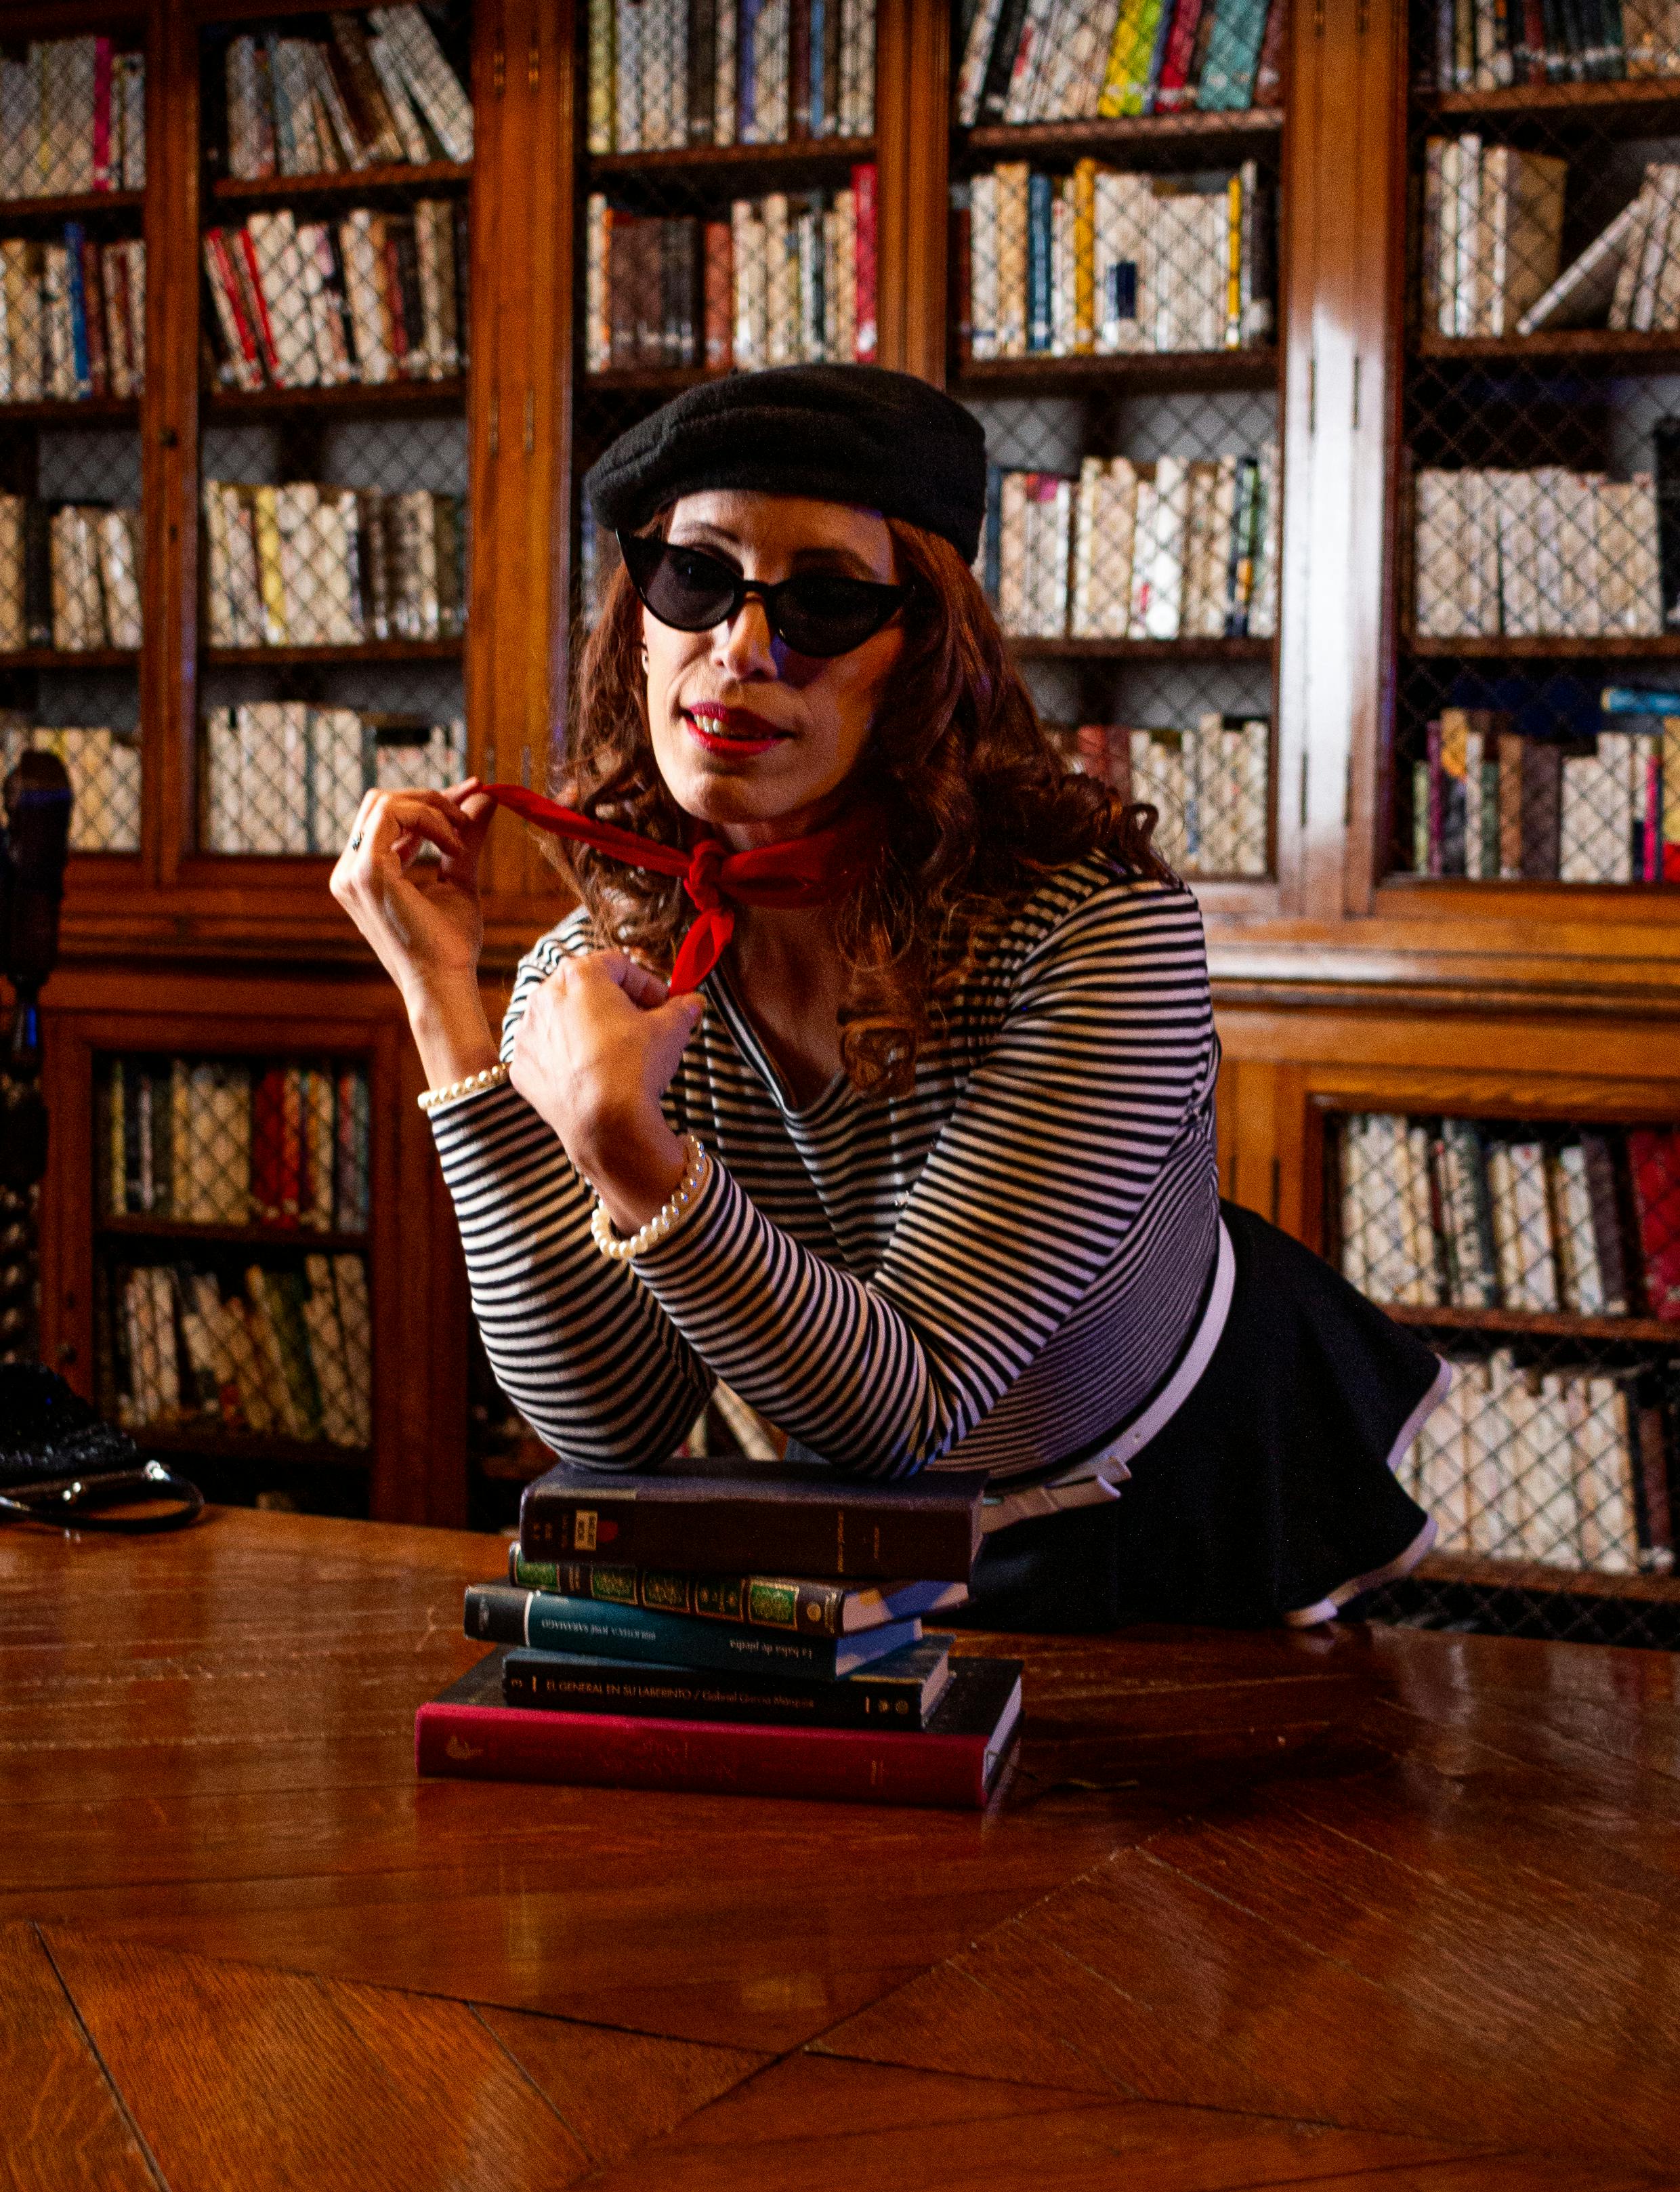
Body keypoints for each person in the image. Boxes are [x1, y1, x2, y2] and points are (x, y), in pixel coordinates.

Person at [332, 365, 1446, 1631]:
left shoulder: (1102, 935)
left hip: (1176, 1502)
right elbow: (605, 1421)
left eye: (823, 600)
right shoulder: (611, 967)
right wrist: (443, 1004)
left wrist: (620, 1144)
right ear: (639, 620)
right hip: (871, 1520)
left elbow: (910, 1404)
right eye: (696, 577)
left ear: (922, 652)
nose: (742, 649)